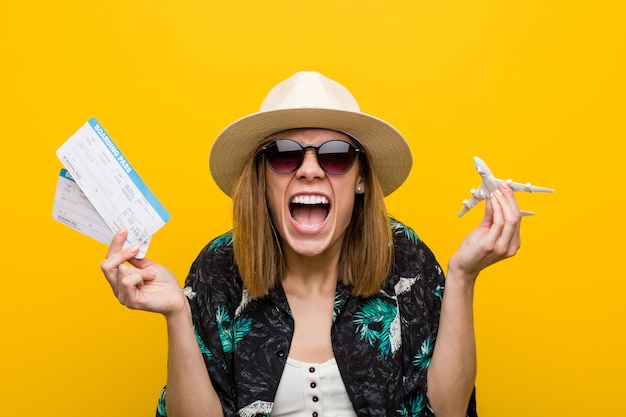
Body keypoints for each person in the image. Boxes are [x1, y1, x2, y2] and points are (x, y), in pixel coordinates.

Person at [101, 71, 522, 417]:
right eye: (285, 154)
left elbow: (446, 412)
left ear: (359, 179)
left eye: (335, 155)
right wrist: (176, 313)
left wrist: (464, 277)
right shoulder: (218, 267)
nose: (309, 170)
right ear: (263, 179)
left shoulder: (406, 259)